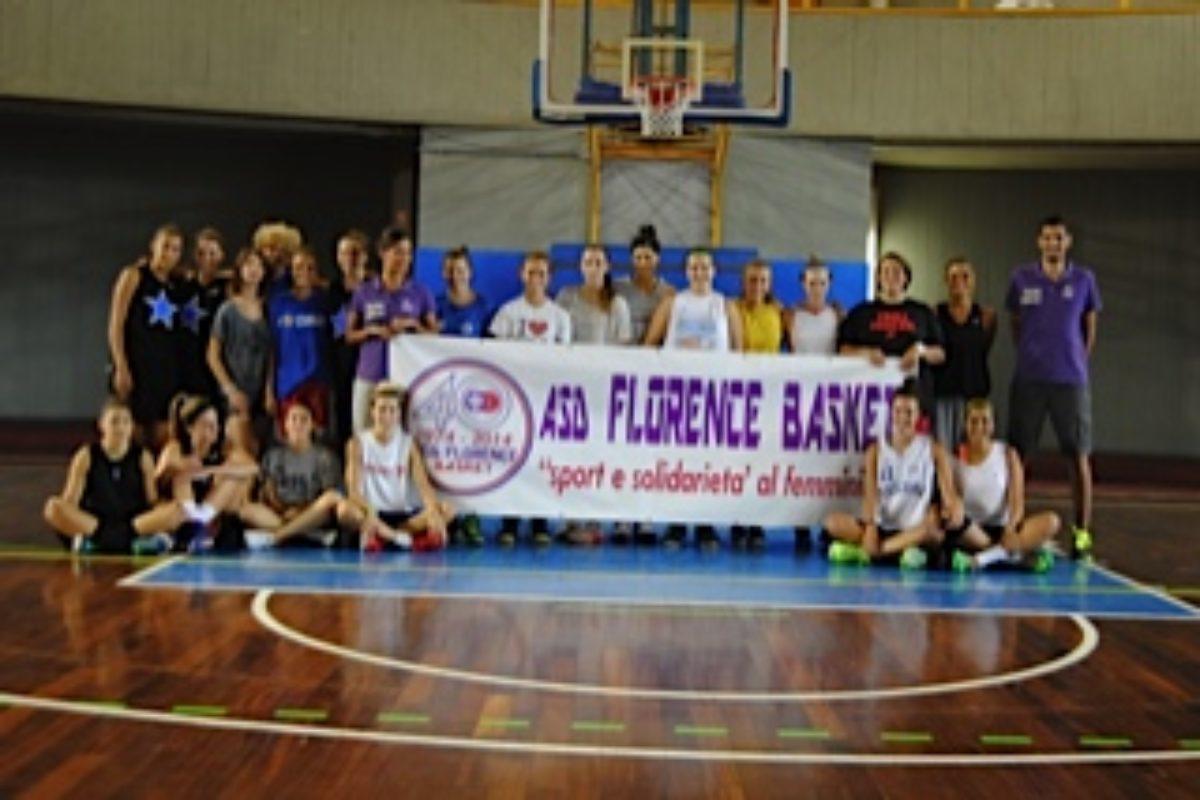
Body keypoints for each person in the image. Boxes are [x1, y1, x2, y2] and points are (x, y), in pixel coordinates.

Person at [1005, 216, 1101, 559]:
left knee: (1078, 456)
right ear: (1039, 242)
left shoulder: (1085, 280)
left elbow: (1089, 327)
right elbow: (1016, 326)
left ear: (1068, 242)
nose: (1053, 244)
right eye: (1047, 238)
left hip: (1070, 381)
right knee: (1018, 456)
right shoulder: (1021, 278)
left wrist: (1073, 359)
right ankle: (1011, 527)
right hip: (1029, 379)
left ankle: (1082, 533)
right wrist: (1034, 356)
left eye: (1059, 238)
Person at [645, 247, 744, 549]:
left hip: (713, 397)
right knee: (677, 462)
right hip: (677, 395)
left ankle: (705, 524)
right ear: (686, 272)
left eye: (704, 267)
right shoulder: (673, 303)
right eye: (693, 267)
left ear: (714, 271)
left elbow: (740, 353)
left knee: (709, 463)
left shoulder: (726, 305)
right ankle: (676, 523)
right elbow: (650, 344)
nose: (699, 272)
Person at [823, 382, 960, 568]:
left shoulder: (934, 449)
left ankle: (870, 553)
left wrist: (949, 510)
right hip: (884, 527)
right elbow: (870, 496)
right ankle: (898, 552)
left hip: (916, 530)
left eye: (909, 412)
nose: (902, 417)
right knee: (832, 523)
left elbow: (949, 495)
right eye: (898, 411)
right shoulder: (875, 451)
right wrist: (871, 527)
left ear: (918, 415)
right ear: (891, 413)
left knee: (934, 533)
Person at [490, 251, 571, 545]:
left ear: (549, 278)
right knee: (513, 459)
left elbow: (567, 359)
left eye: (541, 273)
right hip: (514, 400)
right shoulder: (508, 313)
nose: (536, 278)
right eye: (531, 272)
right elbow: (494, 355)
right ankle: (509, 523)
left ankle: (540, 522)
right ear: (521, 275)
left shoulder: (560, 317)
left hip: (545, 400)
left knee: (543, 461)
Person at [555, 245, 633, 544]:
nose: (593, 266)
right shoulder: (566, 297)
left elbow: (623, 347)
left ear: (607, 266)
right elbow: (558, 340)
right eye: (588, 261)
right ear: (581, 266)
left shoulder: (618, 304)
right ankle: (573, 519)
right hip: (573, 389)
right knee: (574, 456)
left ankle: (611, 518)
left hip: (605, 390)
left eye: (598, 262)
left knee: (607, 455)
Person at [42, 398, 181, 554]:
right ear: (101, 425)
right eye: (114, 422)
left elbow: (152, 500)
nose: (120, 428)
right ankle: (123, 543)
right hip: (94, 524)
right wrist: (70, 518)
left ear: (132, 426)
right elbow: (70, 501)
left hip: (134, 524)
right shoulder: (86, 455)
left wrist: (165, 511)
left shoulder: (143, 457)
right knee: (53, 508)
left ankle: (101, 544)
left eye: (126, 422)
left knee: (176, 510)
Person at [337, 383, 454, 552]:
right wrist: (369, 511)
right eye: (382, 409)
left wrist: (433, 510)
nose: (387, 415)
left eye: (392, 410)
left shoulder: (408, 444)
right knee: (344, 511)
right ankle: (399, 538)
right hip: (370, 513)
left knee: (447, 510)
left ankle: (383, 536)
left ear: (399, 414)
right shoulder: (357, 443)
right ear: (372, 411)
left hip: (401, 516)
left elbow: (424, 486)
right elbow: (353, 491)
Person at [155, 394, 279, 552]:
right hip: (180, 511)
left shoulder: (224, 449)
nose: (213, 429)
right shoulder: (175, 449)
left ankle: (200, 522)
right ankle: (192, 527)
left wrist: (213, 470)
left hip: (214, 513)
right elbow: (160, 481)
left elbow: (254, 468)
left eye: (215, 424)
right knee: (182, 478)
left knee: (232, 479)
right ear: (190, 428)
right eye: (206, 425)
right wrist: (184, 470)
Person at [948, 399, 1060, 572]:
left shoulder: (1008, 454)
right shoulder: (956, 457)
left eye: (985, 421)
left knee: (1052, 522)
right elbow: (955, 501)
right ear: (965, 425)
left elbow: (1017, 502)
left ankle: (985, 558)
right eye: (973, 421)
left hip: (1002, 528)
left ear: (993, 425)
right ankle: (1009, 555)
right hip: (972, 532)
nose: (979, 427)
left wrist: (1010, 529)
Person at [346, 226, 437, 434]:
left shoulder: (420, 292)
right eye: (397, 252)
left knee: (403, 434)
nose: (403, 259)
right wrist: (373, 331)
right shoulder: (364, 291)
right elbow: (349, 335)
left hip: (405, 377)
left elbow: (434, 335)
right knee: (362, 432)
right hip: (370, 373)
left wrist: (412, 325)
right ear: (383, 253)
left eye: (407, 253)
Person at [837, 251, 945, 421]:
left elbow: (941, 354)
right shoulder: (860, 313)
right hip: (869, 400)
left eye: (896, 271)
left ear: (906, 278)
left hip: (916, 398)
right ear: (878, 278)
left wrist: (920, 351)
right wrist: (865, 353)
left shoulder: (922, 312)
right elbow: (843, 350)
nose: (890, 276)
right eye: (885, 271)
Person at [107, 223, 186, 447]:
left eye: (175, 249)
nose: (169, 254)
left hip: (164, 369)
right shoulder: (134, 276)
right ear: (153, 246)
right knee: (134, 431)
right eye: (165, 246)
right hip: (136, 365)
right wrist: (120, 365)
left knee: (163, 431)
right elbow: (116, 324)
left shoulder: (177, 283)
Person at [729, 258, 784, 549]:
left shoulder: (780, 313)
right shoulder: (732, 309)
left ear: (770, 284)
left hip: (770, 395)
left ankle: (757, 522)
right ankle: (738, 520)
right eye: (752, 280)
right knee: (739, 461)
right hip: (738, 394)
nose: (758, 285)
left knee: (762, 460)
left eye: (763, 280)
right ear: (743, 282)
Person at [208, 249, 275, 455]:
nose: (253, 270)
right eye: (248, 264)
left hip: (261, 394)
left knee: (259, 448)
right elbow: (212, 355)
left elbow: (272, 354)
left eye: (258, 265)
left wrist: (269, 389)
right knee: (238, 448)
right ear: (240, 270)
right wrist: (230, 390)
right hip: (235, 393)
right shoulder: (227, 310)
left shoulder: (269, 309)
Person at [260, 400, 344, 547]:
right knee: (247, 511)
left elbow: (327, 493)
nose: (298, 424)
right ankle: (305, 533)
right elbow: (269, 490)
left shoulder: (325, 457)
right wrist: (283, 509)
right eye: (293, 419)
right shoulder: (273, 455)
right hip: (280, 512)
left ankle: (278, 536)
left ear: (312, 425)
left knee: (331, 499)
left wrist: (300, 511)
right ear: (285, 424)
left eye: (304, 419)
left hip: (311, 511)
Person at [932, 257, 996, 450]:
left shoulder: (986, 316)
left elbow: (983, 348)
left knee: (973, 449)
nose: (959, 281)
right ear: (946, 281)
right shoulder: (935, 314)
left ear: (973, 281)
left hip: (975, 392)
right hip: (943, 393)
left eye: (965, 276)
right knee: (944, 449)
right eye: (953, 277)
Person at [268, 246, 332, 436]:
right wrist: (269, 388)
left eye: (310, 267)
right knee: (289, 439)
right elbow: (272, 348)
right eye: (298, 267)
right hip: (287, 384)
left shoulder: (325, 302)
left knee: (317, 439)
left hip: (317, 382)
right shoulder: (278, 303)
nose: (304, 272)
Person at [176, 227, 230, 399]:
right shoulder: (183, 286)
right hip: (188, 368)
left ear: (221, 255)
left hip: (220, 368)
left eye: (212, 253)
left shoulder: (229, 287)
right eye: (201, 253)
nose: (207, 259)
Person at [328, 229, 371, 448]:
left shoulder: (375, 287)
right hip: (341, 365)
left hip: (370, 363)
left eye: (355, 253)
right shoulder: (332, 291)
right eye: (344, 253)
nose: (350, 259)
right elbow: (335, 332)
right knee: (343, 422)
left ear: (365, 256)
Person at [614, 224, 674, 346]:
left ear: (657, 259)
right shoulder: (618, 287)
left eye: (648, 258)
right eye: (638, 258)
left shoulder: (667, 292)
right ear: (632, 259)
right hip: (622, 347)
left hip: (653, 349)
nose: (643, 263)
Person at [787, 255, 841, 355]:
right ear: (803, 283)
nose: (817, 289)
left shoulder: (837, 314)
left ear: (829, 283)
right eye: (812, 283)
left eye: (822, 283)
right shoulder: (791, 315)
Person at [436, 246, 492, 339]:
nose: (455, 276)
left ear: (470, 272)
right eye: (450, 271)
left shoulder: (485, 307)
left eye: (460, 271)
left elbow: (493, 343)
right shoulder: (434, 305)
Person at [252, 220, 303, 289]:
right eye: (271, 248)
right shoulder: (253, 278)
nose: (277, 254)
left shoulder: (297, 280)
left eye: (283, 249)